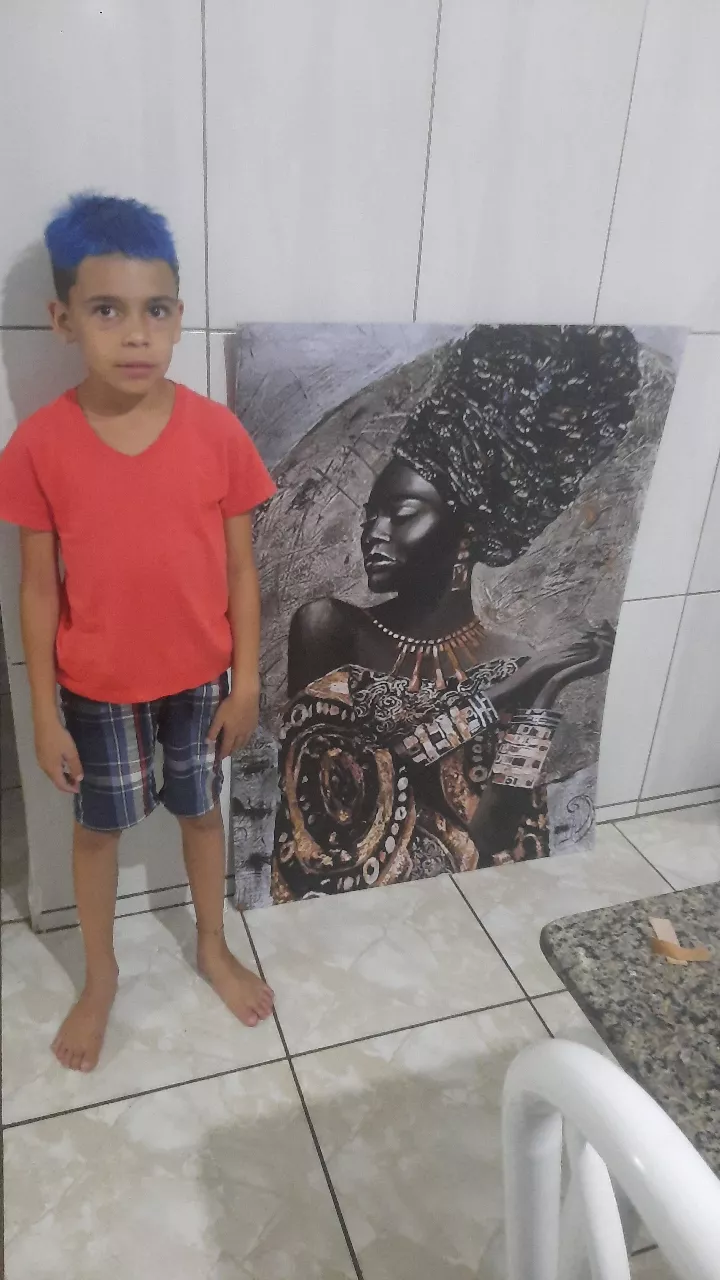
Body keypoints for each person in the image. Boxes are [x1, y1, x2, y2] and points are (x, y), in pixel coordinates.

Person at [0, 193, 276, 1072]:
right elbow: (36, 590)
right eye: (107, 310)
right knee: (97, 833)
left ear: (180, 318)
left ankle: (211, 945)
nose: (135, 335)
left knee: (201, 814)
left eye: (155, 311)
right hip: (97, 689)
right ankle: (101, 975)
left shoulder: (216, 433)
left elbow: (242, 572)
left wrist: (246, 681)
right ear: (63, 320)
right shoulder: (39, 447)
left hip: (201, 682)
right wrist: (43, 713)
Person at [274, 325, 639, 900]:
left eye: (401, 514)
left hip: (458, 905)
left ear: (463, 534)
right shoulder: (330, 627)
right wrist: (511, 689)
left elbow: (493, 836)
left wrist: (542, 693)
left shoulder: (515, 658)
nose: (373, 532)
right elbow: (353, 780)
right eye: (371, 516)